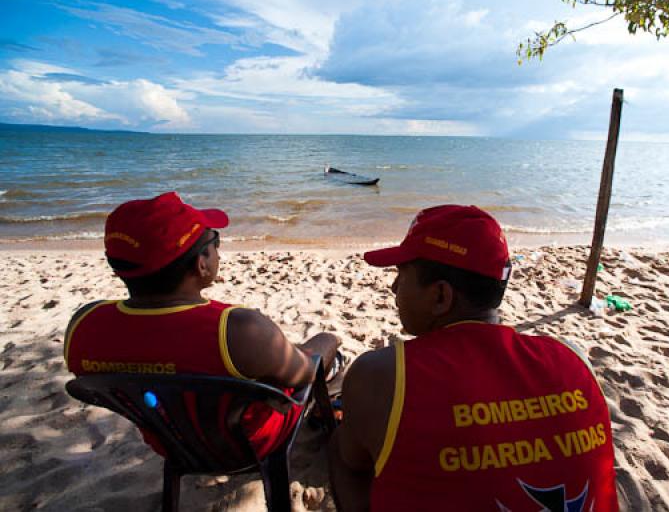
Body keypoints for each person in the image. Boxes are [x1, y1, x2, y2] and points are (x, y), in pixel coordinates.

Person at [329, 205, 618, 511]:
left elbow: (355, 462)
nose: (394, 287)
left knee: (338, 446)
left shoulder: (382, 375)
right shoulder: (573, 359)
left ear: (441, 296)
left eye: (403, 274)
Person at [64, 191, 339, 459]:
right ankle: (328, 416)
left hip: (171, 443)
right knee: (331, 360)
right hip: (249, 445)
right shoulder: (236, 330)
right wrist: (329, 340)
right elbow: (305, 372)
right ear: (202, 265)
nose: (218, 250)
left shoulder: (83, 326)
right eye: (214, 242)